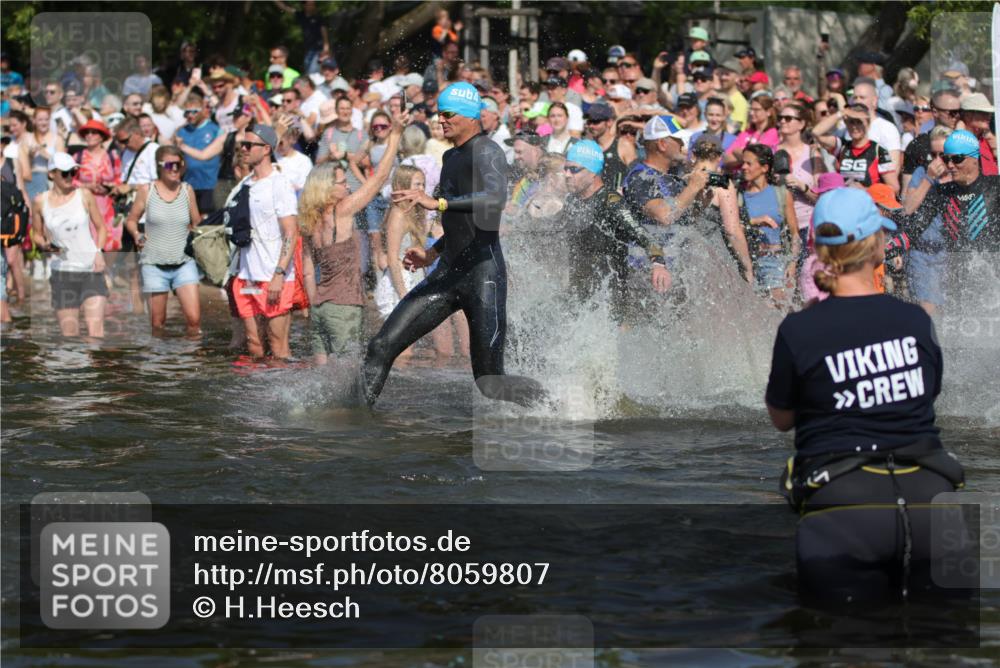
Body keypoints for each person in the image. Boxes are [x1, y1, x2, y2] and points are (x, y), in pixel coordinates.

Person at [766, 186, 966, 604]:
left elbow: (781, 418)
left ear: (819, 247)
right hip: (932, 500)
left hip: (842, 502)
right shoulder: (914, 320)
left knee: (839, 641)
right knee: (947, 641)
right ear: (876, 245)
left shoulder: (799, 329)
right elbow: (928, 394)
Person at [366, 82, 546, 408]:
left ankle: (556, 405)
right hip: (447, 274)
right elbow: (463, 222)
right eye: (438, 114)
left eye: (447, 115)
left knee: (490, 382)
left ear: (468, 116)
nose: (441, 121)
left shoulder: (486, 150)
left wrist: (439, 205)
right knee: (381, 346)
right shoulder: (450, 156)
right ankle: (354, 422)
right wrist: (432, 252)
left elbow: (495, 198)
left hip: (483, 275)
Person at [559, 140, 671, 319]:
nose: (566, 174)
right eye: (565, 168)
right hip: (579, 294)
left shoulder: (612, 203)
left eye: (573, 169)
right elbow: (556, 231)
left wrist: (658, 265)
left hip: (609, 301)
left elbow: (646, 238)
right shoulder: (573, 201)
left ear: (593, 172)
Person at [230, 125, 300, 360]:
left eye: (249, 145)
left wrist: (279, 273)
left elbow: (291, 231)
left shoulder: (279, 183)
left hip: (273, 276)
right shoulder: (247, 183)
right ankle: (256, 393)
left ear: (267, 149)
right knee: (254, 346)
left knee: (278, 347)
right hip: (247, 276)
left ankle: (281, 392)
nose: (244, 149)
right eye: (243, 144)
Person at [124, 146, 201, 335]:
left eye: (178, 164)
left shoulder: (187, 190)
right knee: (158, 324)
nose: (174, 169)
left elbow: (196, 223)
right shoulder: (146, 190)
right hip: (153, 265)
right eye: (169, 164)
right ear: (159, 166)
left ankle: (192, 360)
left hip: (184, 263)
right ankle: (159, 363)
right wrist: (137, 234)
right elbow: (131, 220)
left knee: (194, 321)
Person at [30, 153, 108, 337]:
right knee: (70, 335)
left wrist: (99, 252)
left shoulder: (84, 195)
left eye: (73, 172)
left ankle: (93, 366)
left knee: (96, 333)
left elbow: (102, 228)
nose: (69, 177)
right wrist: (45, 245)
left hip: (91, 269)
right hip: (63, 272)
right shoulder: (40, 201)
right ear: (51, 174)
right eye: (64, 173)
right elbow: (37, 234)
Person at [905, 129, 999, 255]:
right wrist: (890, 248)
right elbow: (913, 229)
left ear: (974, 158)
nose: (949, 165)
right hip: (956, 272)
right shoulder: (942, 192)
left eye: (957, 159)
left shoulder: (995, 186)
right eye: (946, 159)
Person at [739, 144, 800, 307]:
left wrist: (792, 264)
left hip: (776, 261)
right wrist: (755, 221)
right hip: (749, 263)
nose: (743, 167)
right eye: (743, 163)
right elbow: (732, 228)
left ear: (765, 167)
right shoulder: (739, 196)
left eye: (749, 163)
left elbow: (795, 234)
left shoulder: (781, 193)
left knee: (778, 311)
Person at [903, 126, 951, 315]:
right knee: (928, 313)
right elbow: (907, 208)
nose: (938, 160)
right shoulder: (922, 173)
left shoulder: (959, 174)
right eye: (933, 154)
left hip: (949, 254)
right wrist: (929, 179)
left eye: (944, 155)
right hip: (923, 253)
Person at [376, 166, 428, 339]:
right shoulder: (398, 214)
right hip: (399, 285)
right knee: (402, 350)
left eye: (423, 184)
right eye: (417, 184)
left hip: (413, 281)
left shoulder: (415, 211)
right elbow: (392, 258)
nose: (422, 189)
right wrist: (404, 297)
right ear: (401, 186)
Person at [775, 103, 823, 254]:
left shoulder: (812, 154)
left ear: (801, 124)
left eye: (788, 118)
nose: (782, 121)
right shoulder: (772, 151)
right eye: (780, 118)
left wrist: (802, 186)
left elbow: (821, 197)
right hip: (781, 225)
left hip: (809, 226)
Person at [71, 119, 121, 251]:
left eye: (94, 133)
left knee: (110, 243)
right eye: (87, 133)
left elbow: (119, 179)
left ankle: (107, 271)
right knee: (87, 240)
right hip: (84, 205)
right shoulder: (78, 157)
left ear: (102, 136)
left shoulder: (112, 156)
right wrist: (86, 186)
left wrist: (109, 187)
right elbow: (69, 181)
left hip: (108, 205)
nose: (89, 135)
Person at [174, 90, 222, 214]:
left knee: (207, 222)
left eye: (194, 111)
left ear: (203, 110)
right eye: (187, 112)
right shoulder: (181, 132)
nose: (191, 115)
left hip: (210, 185)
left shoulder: (215, 129)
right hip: (188, 185)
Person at [831, 104, 899, 192]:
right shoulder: (842, 147)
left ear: (868, 124)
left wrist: (865, 190)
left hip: (868, 203)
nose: (855, 126)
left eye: (859, 122)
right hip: (844, 202)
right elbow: (816, 133)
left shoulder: (879, 150)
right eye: (852, 122)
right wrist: (841, 113)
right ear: (846, 124)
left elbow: (894, 187)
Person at [724, 93, 778, 168]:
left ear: (768, 112)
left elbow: (759, 159)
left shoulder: (772, 133)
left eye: (756, 110)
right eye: (751, 109)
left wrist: (737, 152)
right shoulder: (746, 133)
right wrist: (746, 158)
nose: (751, 113)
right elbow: (726, 158)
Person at [958, 93, 998, 176]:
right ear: (968, 115)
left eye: (989, 113)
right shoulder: (955, 141)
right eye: (983, 112)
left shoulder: (989, 141)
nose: (988, 116)